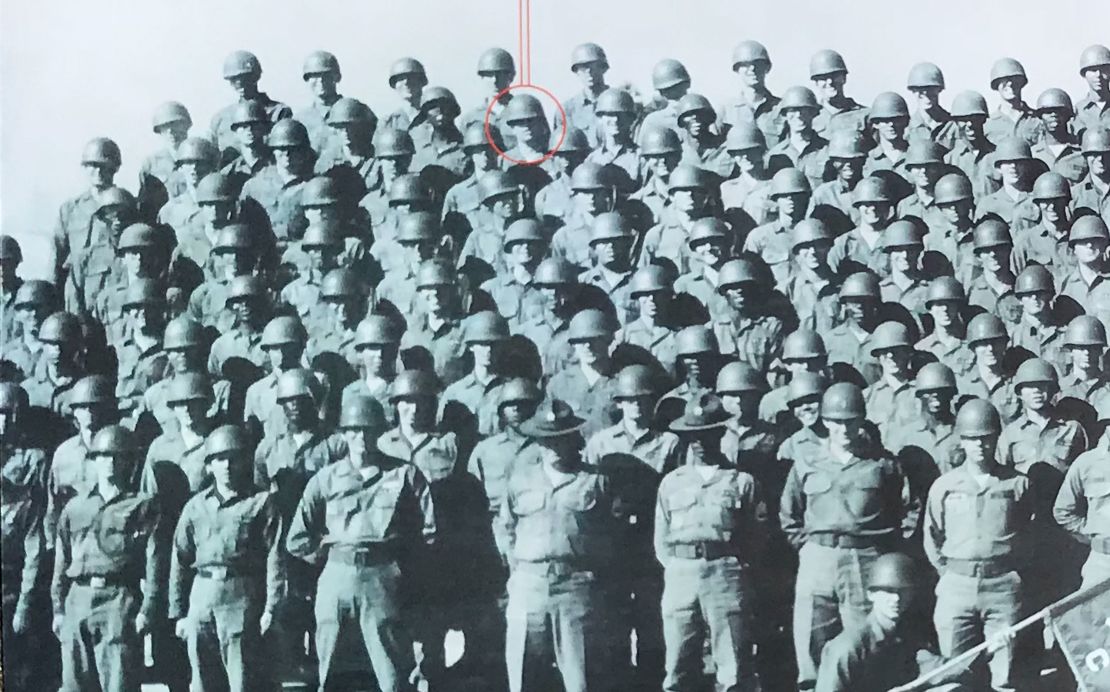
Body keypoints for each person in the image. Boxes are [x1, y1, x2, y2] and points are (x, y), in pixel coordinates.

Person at [287, 396, 436, 691]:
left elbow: (429, 532)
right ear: (342, 433)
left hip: (382, 579)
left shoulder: (404, 474)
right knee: (331, 670)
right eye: (353, 430)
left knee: (391, 672)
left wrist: (400, 569)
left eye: (368, 430)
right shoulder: (326, 479)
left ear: (380, 432)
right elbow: (297, 537)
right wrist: (329, 556)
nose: (361, 438)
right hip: (336, 579)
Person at [780, 382, 917, 689]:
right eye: (836, 421)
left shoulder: (883, 464)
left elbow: (907, 510)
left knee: (863, 642)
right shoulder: (806, 462)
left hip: (865, 559)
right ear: (825, 421)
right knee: (812, 639)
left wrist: (883, 551)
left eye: (851, 421)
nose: (844, 428)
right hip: (817, 558)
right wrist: (807, 550)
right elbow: (789, 515)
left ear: (861, 421)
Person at [500, 398, 618, 692]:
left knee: (580, 679)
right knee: (524, 676)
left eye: (560, 439)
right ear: (537, 440)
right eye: (546, 439)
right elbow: (506, 528)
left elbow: (610, 536)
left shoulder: (595, 481)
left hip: (575, 588)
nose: (553, 446)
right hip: (529, 588)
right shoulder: (520, 480)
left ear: (573, 439)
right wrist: (518, 573)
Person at [655, 393, 765, 692]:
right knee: (678, 664)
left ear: (719, 433)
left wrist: (731, 566)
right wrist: (680, 565)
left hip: (724, 574)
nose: (699, 442)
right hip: (681, 573)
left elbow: (755, 538)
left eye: (706, 434)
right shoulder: (672, 482)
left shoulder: (742, 482)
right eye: (692, 436)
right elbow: (661, 538)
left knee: (732, 666)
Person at [924, 398, 1034, 692]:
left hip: (1003, 587)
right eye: (972, 439)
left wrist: (1013, 574)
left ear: (996, 438)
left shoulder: (1017, 484)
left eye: (986, 438)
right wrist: (948, 574)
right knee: (954, 671)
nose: (980, 446)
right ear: (962, 440)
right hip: (956, 586)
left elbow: (1030, 532)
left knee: (1004, 673)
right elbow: (932, 534)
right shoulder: (945, 486)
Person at [170, 424, 283, 692]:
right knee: (202, 682)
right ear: (209, 466)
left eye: (234, 458)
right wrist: (178, 613)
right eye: (219, 459)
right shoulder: (195, 506)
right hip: (202, 597)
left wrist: (270, 608)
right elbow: (180, 558)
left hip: (240, 597)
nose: (227, 466)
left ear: (245, 461)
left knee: (242, 680)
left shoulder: (261, 503)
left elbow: (275, 559)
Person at [52, 425, 165, 692]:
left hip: (118, 600)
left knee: (119, 682)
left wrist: (147, 609)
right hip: (77, 599)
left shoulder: (143, 505)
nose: (110, 463)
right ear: (93, 461)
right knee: (75, 684)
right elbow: (61, 559)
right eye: (103, 456)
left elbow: (154, 562)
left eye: (118, 457)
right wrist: (58, 608)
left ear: (130, 462)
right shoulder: (75, 507)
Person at [815, 553, 963, 692]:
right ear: (871, 594)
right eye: (888, 591)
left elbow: (931, 666)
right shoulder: (848, 647)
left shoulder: (905, 633)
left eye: (903, 591)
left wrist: (965, 665)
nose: (896, 599)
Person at [0, 382, 48, 692]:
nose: (2, 421)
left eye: (8, 413)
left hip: (15, 579)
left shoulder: (35, 459)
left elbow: (37, 527)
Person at [210, 50, 291, 155]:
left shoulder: (278, 113)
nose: (239, 83)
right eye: (234, 79)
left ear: (256, 76)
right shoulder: (220, 119)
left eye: (245, 78)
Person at [718, 40, 783, 146]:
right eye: (745, 65)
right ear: (737, 69)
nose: (752, 69)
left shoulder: (781, 109)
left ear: (767, 68)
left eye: (758, 63)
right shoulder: (726, 112)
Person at [555, 43, 610, 149]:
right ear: (576, 71)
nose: (589, 72)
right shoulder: (567, 110)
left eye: (593, 66)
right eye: (583, 68)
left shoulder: (619, 102)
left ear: (603, 68)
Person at [983, 58, 1043, 147]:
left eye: (1015, 79)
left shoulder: (1037, 120)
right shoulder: (987, 124)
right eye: (1004, 80)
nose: (1010, 84)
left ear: (1022, 83)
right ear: (996, 85)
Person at [296, 50, 343, 153]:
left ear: (337, 77)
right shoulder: (300, 120)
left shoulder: (355, 112)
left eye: (326, 75)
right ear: (307, 79)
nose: (320, 80)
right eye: (315, 76)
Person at [906, 62, 959, 149]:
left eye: (930, 88)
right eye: (920, 89)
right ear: (913, 91)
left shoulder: (953, 125)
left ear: (939, 89)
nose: (926, 93)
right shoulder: (907, 129)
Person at [1076, 44, 1110, 136]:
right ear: (1084, 74)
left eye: (1103, 70)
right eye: (1093, 70)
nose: (1098, 75)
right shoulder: (1077, 111)